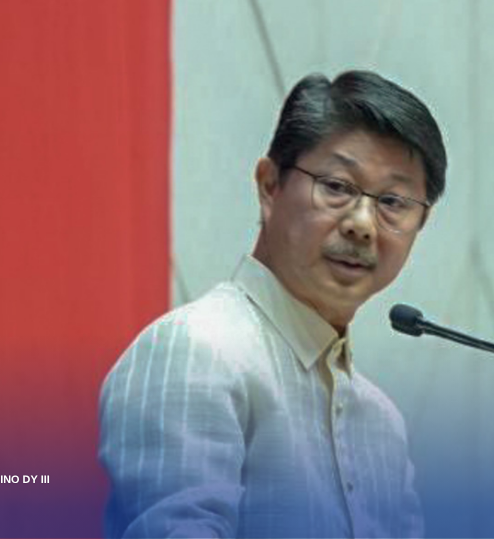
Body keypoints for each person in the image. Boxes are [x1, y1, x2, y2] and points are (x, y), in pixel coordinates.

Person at [98, 70, 447, 538]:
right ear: (269, 185)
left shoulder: (382, 426)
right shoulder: (198, 350)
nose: (363, 224)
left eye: (392, 201)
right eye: (337, 186)